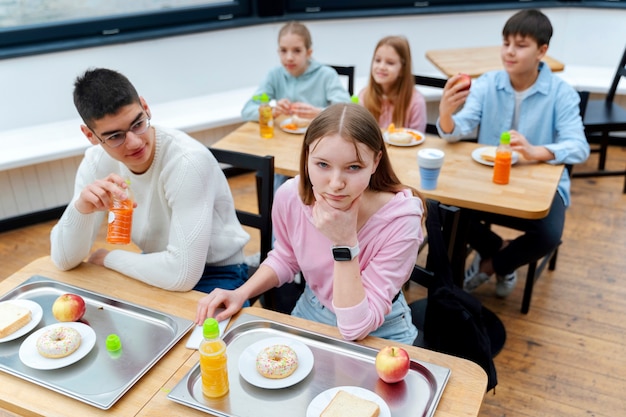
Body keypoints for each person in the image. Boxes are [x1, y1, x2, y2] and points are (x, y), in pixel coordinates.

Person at [196, 103, 425, 344]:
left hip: (381, 330)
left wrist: (344, 242)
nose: (335, 183)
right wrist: (241, 292)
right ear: (307, 157)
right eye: (322, 165)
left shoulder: (402, 219)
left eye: (354, 167)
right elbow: (286, 256)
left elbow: (356, 327)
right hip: (312, 311)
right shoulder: (290, 196)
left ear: (376, 162)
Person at [50, 68, 250, 294]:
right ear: (90, 136)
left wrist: (109, 258)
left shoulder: (187, 162)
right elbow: (63, 260)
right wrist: (80, 209)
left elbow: (182, 274)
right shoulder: (96, 162)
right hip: (158, 262)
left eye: (138, 124)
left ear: (145, 107)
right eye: (115, 136)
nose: (134, 143)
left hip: (218, 272)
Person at [436, 9, 590, 297]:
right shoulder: (487, 84)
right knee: (442, 210)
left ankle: (492, 265)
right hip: (488, 181)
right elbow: (458, 127)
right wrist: (446, 113)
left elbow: (579, 147)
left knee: (549, 235)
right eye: (506, 43)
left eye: (520, 45)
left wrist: (535, 151)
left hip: (536, 188)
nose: (509, 52)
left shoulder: (562, 93)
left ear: (541, 51)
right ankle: (501, 253)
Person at [241, 21, 351, 123]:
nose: (289, 58)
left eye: (297, 51)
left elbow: (347, 111)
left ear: (308, 53)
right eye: (283, 50)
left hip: (317, 137)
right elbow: (247, 111)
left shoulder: (327, 75)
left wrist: (319, 113)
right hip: (284, 137)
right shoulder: (274, 75)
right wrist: (272, 111)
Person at [358, 35, 427, 133]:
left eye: (390, 63)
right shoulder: (364, 96)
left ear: (403, 69)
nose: (381, 67)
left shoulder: (416, 102)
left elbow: (417, 137)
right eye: (377, 60)